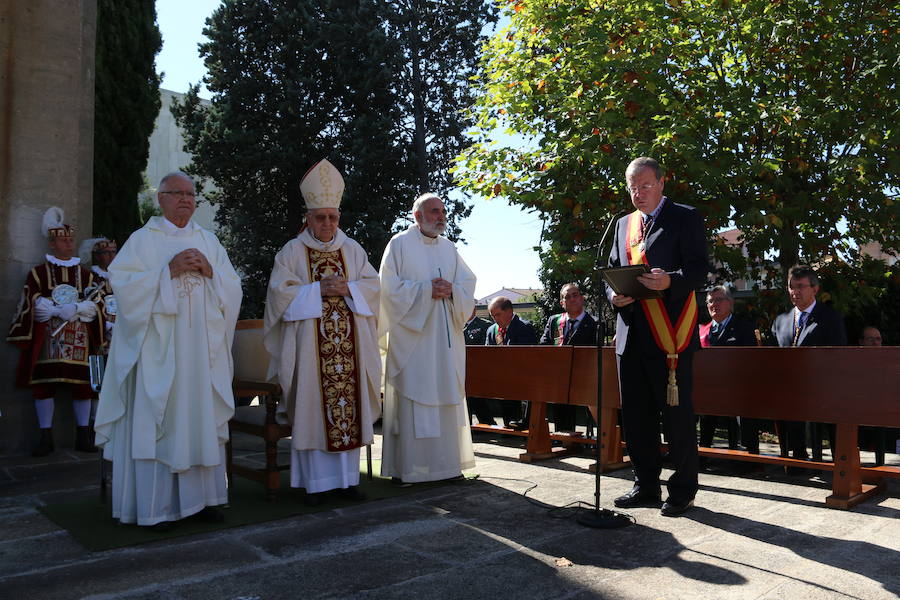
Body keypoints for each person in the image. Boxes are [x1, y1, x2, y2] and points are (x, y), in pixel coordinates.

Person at [94, 172, 242, 529]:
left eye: (192, 195)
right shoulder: (142, 241)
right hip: (159, 352)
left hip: (201, 354)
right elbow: (123, 288)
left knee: (199, 418)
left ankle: (204, 500)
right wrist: (168, 272)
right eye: (178, 193)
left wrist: (211, 272)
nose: (187, 200)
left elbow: (233, 288)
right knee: (160, 420)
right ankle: (156, 507)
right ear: (161, 198)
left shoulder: (208, 240)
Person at [263, 159, 381, 505]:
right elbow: (278, 295)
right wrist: (316, 291)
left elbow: (374, 289)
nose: (327, 223)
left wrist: (348, 289)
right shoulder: (292, 251)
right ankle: (316, 485)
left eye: (332, 217)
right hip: (310, 354)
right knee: (314, 410)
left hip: (351, 351)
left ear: (338, 218)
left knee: (348, 409)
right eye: (320, 217)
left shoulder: (353, 250)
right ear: (308, 218)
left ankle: (346, 481)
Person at [606, 157, 709, 517]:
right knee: (636, 417)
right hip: (631, 335)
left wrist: (671, 281)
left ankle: (682, 489)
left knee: (676, 416)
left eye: (645, 186)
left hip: (671, 337)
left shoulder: (685, 217)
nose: (638, 193)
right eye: (632, 187)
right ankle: (646, 484)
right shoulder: (622, 225)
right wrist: (614, 296)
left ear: (662, 183)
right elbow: (614, 270)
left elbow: (699, 271)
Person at [379, 192, 477, 483]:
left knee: (446, 396)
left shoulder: (449, 248)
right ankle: (410, 469)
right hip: (413, 342)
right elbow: (387, 289)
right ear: (417, 216)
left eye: (442, 211)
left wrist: (453, 291)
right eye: (434, 211)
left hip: (444, 342)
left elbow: (467, 284)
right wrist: (425, 291)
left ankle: (447, 467)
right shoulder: (398, 245)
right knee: (415, 399)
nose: (440, 216)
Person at [7, 208, 105, 456]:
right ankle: (45, 437)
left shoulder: (86, 274)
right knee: (43, 386)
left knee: (83, 387)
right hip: (49, 341)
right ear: (52, 243)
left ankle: (83, 435)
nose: (70, 243)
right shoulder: (38, 273)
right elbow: (30, 299)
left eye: (71, 239)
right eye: (64, 240)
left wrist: (83, 307)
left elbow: (99, 302)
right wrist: (47, 308)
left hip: (80, 341)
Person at [771, 265, 846, 461]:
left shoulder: (830, 317)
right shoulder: (781, 321)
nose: (795, 292)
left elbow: (838, 354)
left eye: (801, 286)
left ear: (815, 289)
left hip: (824, 388)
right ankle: (797, 461)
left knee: (834, 425)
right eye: (791, 286)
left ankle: (839, 465)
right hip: (790, 390)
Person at [697, 286, 759, 454]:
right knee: (703, 414)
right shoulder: (701, 331)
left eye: (719, 300)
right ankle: (704, 454)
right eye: (710, 301)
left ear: (730, 303)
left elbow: (751, 359)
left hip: (737, 388)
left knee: (742, 417)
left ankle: (745, 458)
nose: (714, 304)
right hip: (709, 389)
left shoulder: (744, 328)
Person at [539, 283, 598, 432]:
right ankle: (563, 438)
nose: (572, 299)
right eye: (567, 297)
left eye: (575, 295)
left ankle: (591, 438)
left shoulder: (595, 323)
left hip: (584, 376)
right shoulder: (554, 321)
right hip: (559, 375)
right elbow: (544, 344)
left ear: (582, 298)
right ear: (562, 303)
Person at [485, 296, 539, 430]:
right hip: (501, 379)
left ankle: (524, 427)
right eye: (492, 316)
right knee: (507, 415)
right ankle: (508, 428)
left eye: (498, 315)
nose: (495, 319)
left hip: (522, 379)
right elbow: (487, 355)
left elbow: (527, 357)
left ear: (509, 311)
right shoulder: (492, 330)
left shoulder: (524, 327)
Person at [79, 237, 118, 353]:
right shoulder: (91, 277)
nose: (111, 256)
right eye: (106, 253)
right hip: (100, 329)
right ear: (97, 256)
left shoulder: (122, 276)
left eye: (113, 252)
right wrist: (106, 325)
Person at [463, 305, 495, 426]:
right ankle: (471, 424)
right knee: (468, 399)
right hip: (463, 367)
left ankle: (486, 422)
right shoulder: (458, 325)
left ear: (474, 309)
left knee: (478, 398)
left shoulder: (484, 325)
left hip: (477, 367)